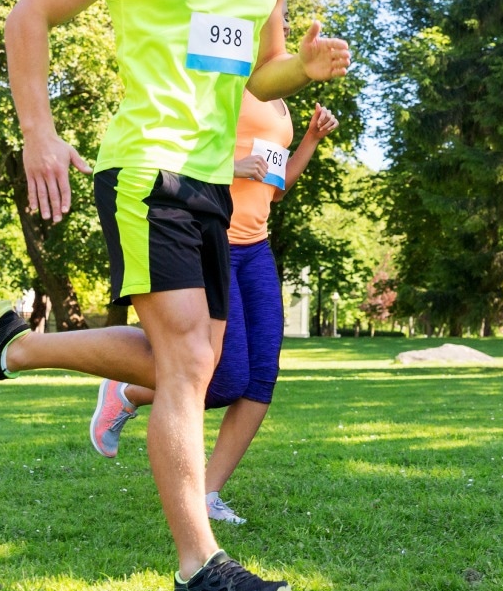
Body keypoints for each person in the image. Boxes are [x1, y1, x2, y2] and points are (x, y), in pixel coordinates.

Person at [0, 0, 350, 591]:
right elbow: (30, 17)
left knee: (189, 368)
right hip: (143, 171)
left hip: (211, 185)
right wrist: (38, 132)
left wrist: (298, 72)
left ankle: (16, 350)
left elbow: (257, 74)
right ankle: (200, 563)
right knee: (192, 363)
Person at [90, 100, 339, 527]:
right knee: (224, 378)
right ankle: (128, 391)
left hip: (256, 247)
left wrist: (311, 140)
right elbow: (173, 152)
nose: (278, 31)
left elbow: (274, 188)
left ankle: (207, 493)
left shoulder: (281, 109)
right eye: (274, 26)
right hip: (209, 238)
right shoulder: (223, 82)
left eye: (281, 27)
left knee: (261, 379)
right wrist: (233, 167)